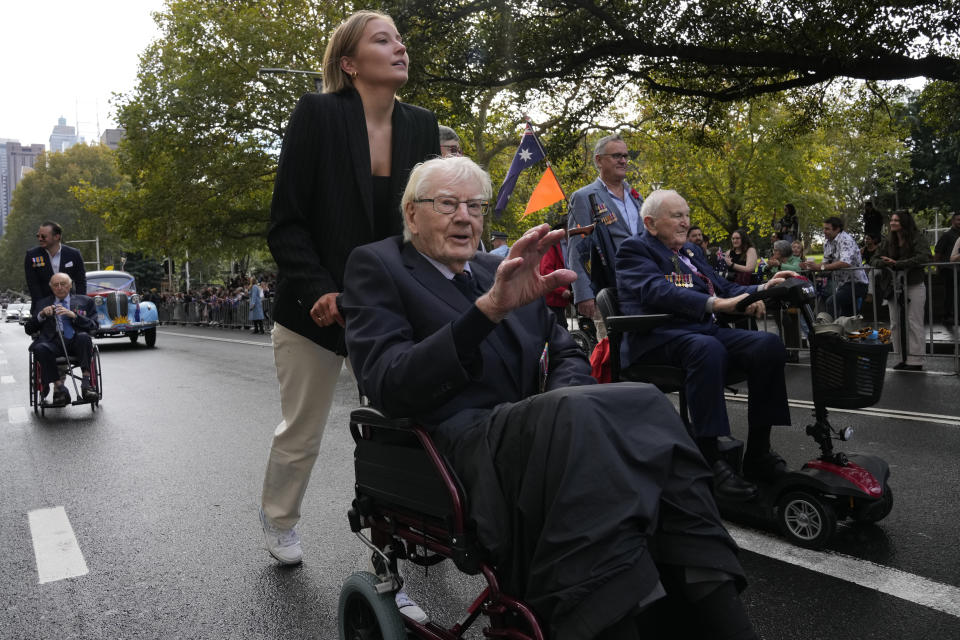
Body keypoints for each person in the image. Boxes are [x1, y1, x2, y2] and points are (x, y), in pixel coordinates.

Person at [343, 157, 758, 640]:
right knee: (577, 414)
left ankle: (708, 594)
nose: (465, 217)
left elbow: (563, 352)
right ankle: (607, 621)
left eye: (475, 206)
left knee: (640, 400)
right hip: (456, 444)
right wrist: (486, 313)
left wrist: (575, 406)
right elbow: (389, 383)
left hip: (546, 431)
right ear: (412, 214)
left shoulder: (495, 267)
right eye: (448, 204)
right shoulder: (379, 264)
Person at [259, 8, 439, 597]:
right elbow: (286, 222)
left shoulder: (422, 125)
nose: (400, 47)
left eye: (401, 39)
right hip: (312, 308)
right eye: (383, 39)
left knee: (399, 429)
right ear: (349, 62)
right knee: (302, 430)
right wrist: (320, 290)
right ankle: (280, 519)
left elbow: (418, 225)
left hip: (385, 306)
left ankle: (393, 554)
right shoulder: (317, 114)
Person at [616, 189, 797, 501]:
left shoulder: (691, 252)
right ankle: (710, 460)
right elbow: (658, 292)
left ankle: (758, 454)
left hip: (699, 331)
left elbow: (724, 286)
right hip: (657, 337)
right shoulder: (635, 250)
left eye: (687, 215)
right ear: (650, 223)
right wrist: (717, 305)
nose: (686, 222)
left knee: (767, 345)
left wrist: (764, 288)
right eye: (677, 216)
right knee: (706, 349)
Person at [567, 134, 643, 321]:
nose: (623, 160)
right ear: (599, 160)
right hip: (608, 290)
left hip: (643, 287)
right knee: (611, 348)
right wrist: (583, 293)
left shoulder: (637, 197)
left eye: (625, 156)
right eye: (617, 156)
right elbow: (578, 249)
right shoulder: (583, 197)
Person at [869, 211, 930, 371]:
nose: (893, 223)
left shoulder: (917, 237)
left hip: (913, 284)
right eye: (892, 220)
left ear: (904, 222)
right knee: (895, 322)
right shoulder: (888, 240)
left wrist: (899, 263)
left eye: (896, 220)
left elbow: (924, 256)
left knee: (914, 321)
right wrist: (886, 264)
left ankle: (915, 360)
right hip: (894, 287)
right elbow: (874, 258)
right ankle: (900, 357)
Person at [28, 273, 99, 406]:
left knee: (84, 338)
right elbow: (29, 329)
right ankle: (59, 387)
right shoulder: (42, 303)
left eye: (63, 284)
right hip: (52, 342)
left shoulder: (85, 301)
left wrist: (74, 316)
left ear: (70, 285)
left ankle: (86, 384)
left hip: (75, 340)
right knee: (39, 348)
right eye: (56, 285)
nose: (59, 287)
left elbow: (94, 326)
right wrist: (42, 315)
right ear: (51, 287)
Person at [800, 217, 869, 319]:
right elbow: (825, 263)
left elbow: (845, 263)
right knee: (848, 317)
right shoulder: (828, 243)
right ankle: (846, 332)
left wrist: (821, 267)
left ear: (837, 229)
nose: (824, 231)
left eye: (827, 229)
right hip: (843, 284)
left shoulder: (846, 240)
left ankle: (832, 330)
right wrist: (811, 266)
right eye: (824, 229)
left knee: (831, 302)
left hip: (856, 283)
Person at [25, 221, 87, 315]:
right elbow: (33, 285)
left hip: (70, 307)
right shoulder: (32, 255)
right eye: (38, 236)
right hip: (43, 308)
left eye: (43, 236)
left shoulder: (74, 254)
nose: (40, 239)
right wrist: (43, 308)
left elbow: (81, 282)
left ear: (57, 237)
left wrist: (79, 305)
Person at [934, 212, 960, 323]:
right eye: (958, 220)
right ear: (953, 221)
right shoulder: (947, 235)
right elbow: (938, 252)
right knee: (951, 293)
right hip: (949, 269)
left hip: (957, 269)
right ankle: (948, 314)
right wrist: (938, 268)